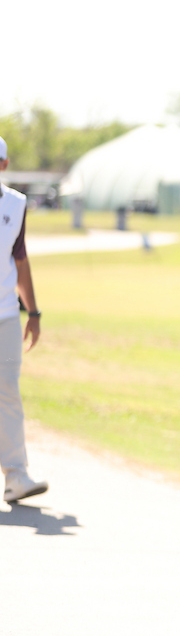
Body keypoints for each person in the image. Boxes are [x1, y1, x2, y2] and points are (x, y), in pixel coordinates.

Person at [0, 135, 49, 503]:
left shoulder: (15, 205)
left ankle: (16, 476)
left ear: (3, 165)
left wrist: (32, 311)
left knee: (8, 394)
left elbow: (20, 259)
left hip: (5, 314)